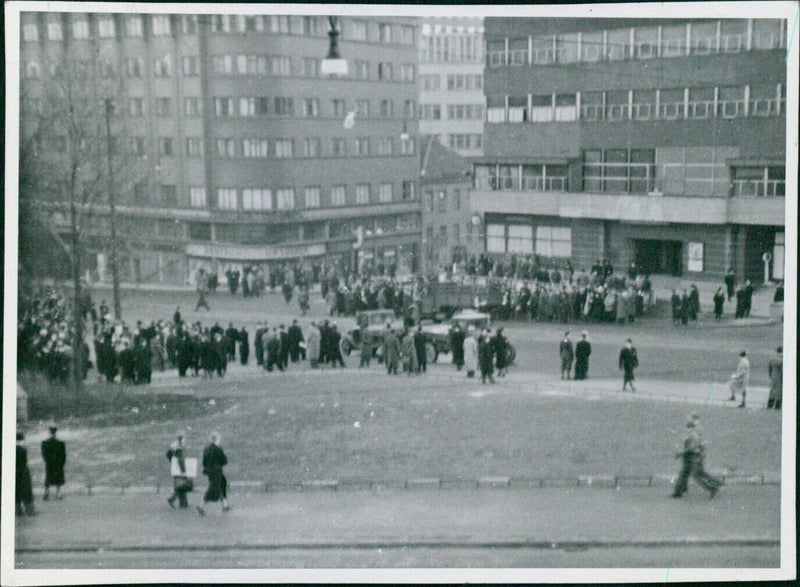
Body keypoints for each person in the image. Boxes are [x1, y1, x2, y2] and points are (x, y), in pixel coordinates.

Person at [671, 414, 722, 499]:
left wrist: (680, 453)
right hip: (692, 456)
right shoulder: (693, 433)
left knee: (694, 475)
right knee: (684, 474)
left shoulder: (692, 434)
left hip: (692, 457)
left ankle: (712, 488)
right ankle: (678, 492)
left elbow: (691, 448)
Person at [197, 431, 230, 515]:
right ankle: (201, 505)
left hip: (210, 471)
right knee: (214, 488)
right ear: (216, 439)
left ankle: (225, 505)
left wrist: (206, 468)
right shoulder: (218, 449)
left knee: (222, 484)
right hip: (217, 471)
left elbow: (204, 461)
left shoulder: (206, 449)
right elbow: (224, 460)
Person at [166, 432, 193, 509]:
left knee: (180, 485)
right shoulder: (179, 447)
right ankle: (174, 500)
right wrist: (183, 471)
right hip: (180, 468)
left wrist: (172, 461)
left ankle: (183, 503)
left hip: (175, 467)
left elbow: (168, 454)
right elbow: (180, 459)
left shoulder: (174, 445)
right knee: (182, 485)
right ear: (182, 439)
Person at [41, 426, 66, 500]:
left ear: (49, 432)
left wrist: (46, 460)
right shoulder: (61, 443)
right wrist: (62, 463)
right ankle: (58, 493)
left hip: (49, 462)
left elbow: (44, 454)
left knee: (48, 477)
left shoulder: (45, 443)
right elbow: (63, 455)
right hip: (58, 462)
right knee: (58, 478)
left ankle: (46, 492)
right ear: (56, 432)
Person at [16, 433, 36, 516]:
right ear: (22, 440)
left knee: (16, 493)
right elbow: (24, 463)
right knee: (26, 492)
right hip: (23, 473)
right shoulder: (23, 450)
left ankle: (18, 510)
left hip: (14, 473)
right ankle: (29, 511)